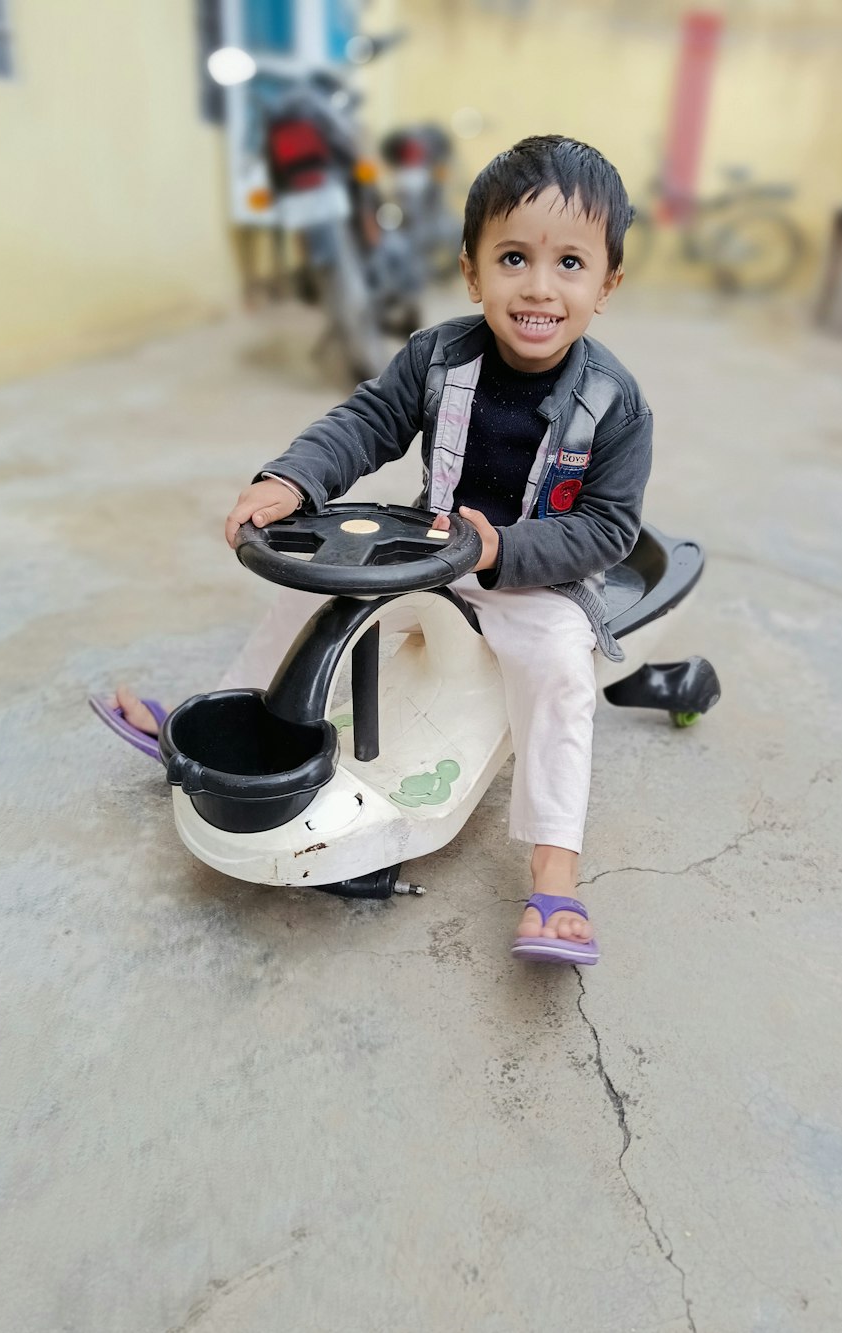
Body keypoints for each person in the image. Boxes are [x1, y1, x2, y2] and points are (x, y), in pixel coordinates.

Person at [92, 135, 653, 966]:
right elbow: (366, 423)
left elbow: (607, 529)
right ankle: (226, 728)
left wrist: (506, 549)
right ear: (472, 271)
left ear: (605, 285)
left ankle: (554, 875)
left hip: (534, 582)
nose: (539, 286)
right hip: (428, 553)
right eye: (513, 257)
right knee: (309, 598)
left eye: (570, 263)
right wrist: (293, 480)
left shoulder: (616, 405)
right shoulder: (438, 356)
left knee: (562, 676)